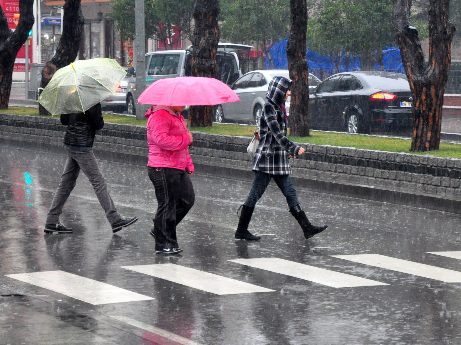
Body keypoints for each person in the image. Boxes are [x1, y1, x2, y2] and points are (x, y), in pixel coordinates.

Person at [235, 76, 328, 241]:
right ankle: (241, 230)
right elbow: (277, 134)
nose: (289, 93)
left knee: (290, 192)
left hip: (279, 159)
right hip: (267, 159)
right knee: (254, 195)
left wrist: (287, 151)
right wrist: (294, 148)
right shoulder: (269, 108)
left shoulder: (279, 107)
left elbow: (278, 136)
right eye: (286, 90)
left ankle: (307, 228)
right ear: (279, 91)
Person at [44, 103, 138, 234]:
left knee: (66, 183)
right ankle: (115, 219)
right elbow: (99, 124)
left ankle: (51, 221)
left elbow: (64, 121)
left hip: (71, 142)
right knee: (97, 181)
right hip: (82, 145)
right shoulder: (92, 100)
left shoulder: (72, 97)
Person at [146, 105, 195, 255]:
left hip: (177, 167)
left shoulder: (177, 116)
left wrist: (188, 163)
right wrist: (186, 138)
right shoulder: (160, 116)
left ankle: (160, 230)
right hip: (162, 167)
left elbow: (183, 148)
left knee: (187, 200)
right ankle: (163, 244)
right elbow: (162, 140)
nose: (185, 104)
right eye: (182, 101)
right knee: (167, 205)